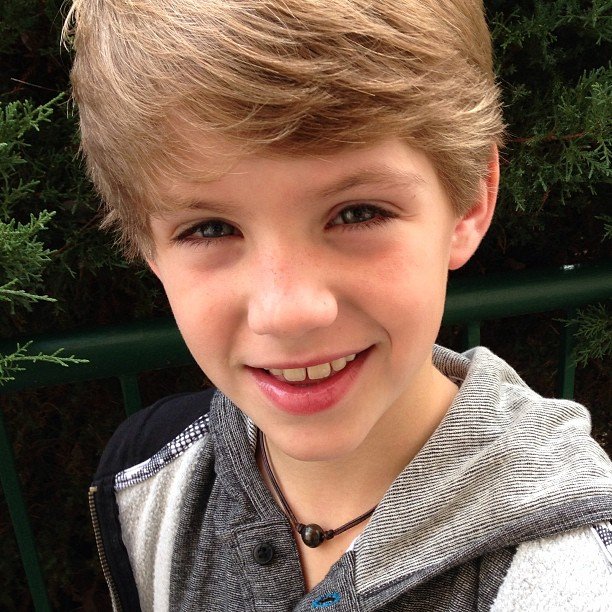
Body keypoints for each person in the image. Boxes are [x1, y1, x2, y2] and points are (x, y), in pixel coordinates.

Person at [66, 0, 612, 610]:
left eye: (357, 213)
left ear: (470, 202)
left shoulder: (574, 575)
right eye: (210, 228)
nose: (286, 312)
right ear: (148, 244)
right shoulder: (148, 478)